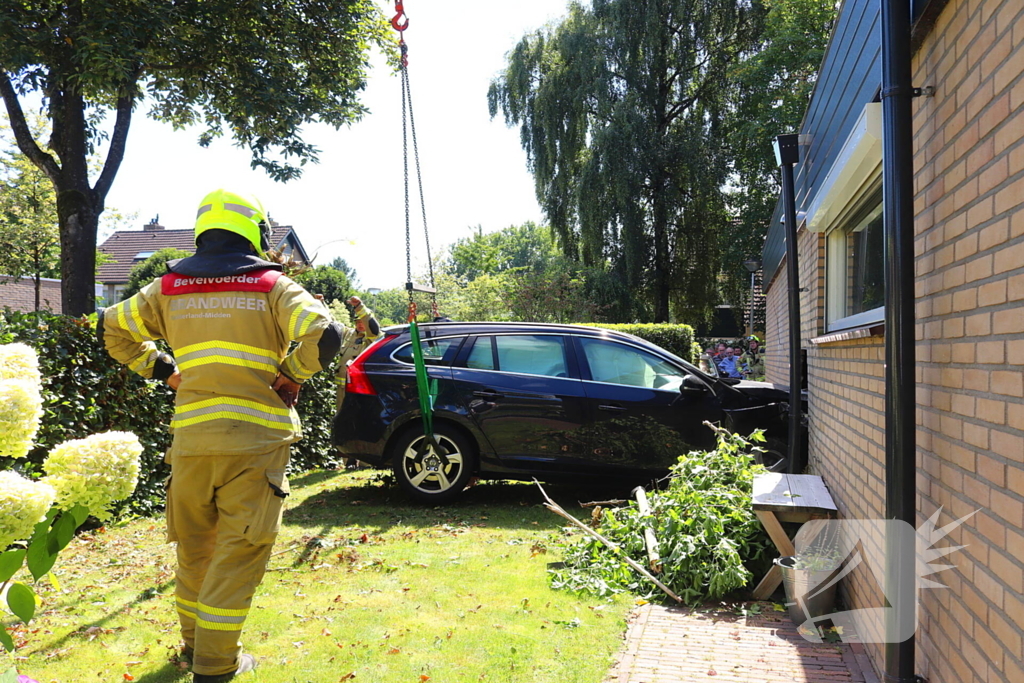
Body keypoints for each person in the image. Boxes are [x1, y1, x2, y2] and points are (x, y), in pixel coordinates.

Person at [99, 189, 341, 683]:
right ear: (254, 231)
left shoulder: (166, 288)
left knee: (195, 551)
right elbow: (328, 334)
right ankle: (214, 665)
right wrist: (291, 372)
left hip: (190, 445)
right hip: (255, 446)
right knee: (238, 553)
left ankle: (194, 648)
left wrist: (163, 369)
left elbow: (111, 327)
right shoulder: (272, 286)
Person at [334, 296, 382, 468]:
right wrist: (321, 303)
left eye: (362, 321)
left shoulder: (371, 338)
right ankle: (348, 461)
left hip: (359, 390)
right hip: (343, 389)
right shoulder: (350, 336)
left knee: (361, 422)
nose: (360, 323)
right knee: (344, 423)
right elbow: (331, 325)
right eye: (358, 321)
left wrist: (360, 307)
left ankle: (365, 462)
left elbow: (373, 328)